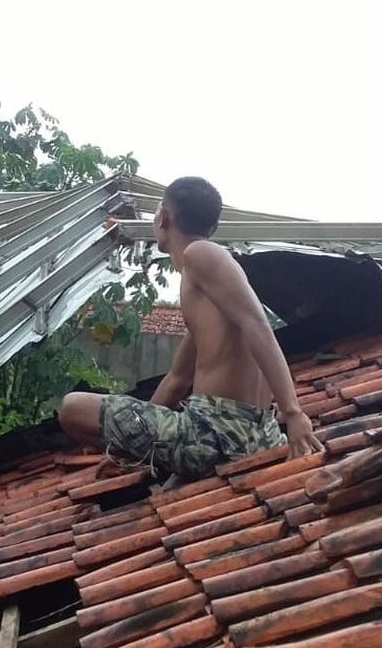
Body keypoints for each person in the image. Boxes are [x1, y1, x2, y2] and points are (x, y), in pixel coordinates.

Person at [58, 176, 322, 485]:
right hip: (239, 436)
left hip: (215, 433)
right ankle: (154, 469)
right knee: (165, 498)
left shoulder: (201, 253)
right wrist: (128, 448)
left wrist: (293, 413)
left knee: (71, 407)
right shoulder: (207, 297)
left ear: (165, 217)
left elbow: (257, 325)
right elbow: (177, 380)